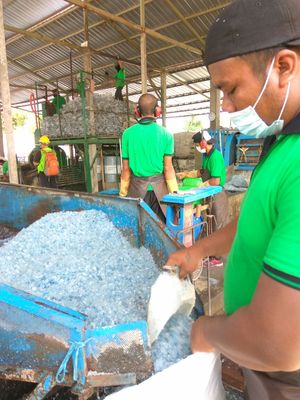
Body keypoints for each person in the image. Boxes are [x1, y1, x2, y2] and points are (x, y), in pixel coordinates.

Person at [167, 0, 300, 398]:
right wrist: (199, 250)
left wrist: (207, 330)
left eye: (230, 88)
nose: (225, 106)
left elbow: (278, 345)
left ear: (283, 67)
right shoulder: (283, 143)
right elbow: (257, 222)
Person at [119, 93, 178, 222]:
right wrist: (175, 193)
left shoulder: (127, 134)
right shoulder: (166, 134)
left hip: (137, 192)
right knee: (161, 231)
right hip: (160, 193)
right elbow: (168, 168)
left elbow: (125, 170)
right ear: (157, 111)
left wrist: (123, 194)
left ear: (137, 111)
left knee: (139, 229)